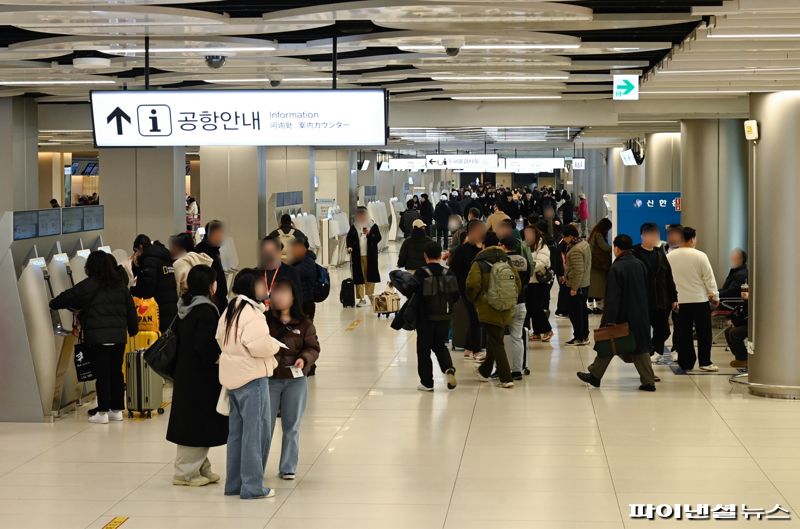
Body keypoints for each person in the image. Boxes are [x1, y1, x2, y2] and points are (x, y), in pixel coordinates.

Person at [50, 251, 137, 424]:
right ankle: (117, 410)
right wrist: (133, 329)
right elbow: (130, 310)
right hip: (119, 337)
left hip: (98, 337)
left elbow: (62, 299)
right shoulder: (119, 285)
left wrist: (54, 303)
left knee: (102, 374)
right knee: (116, 373)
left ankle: (102, 412)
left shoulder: (88, 285)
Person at [216, 268, 281, 500]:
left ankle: (234, 484)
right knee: (256, 433)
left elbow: (219, 339)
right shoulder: (251, 314)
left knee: (237, 434)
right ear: (250, 288)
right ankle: (253, 486)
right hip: (252, 379)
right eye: (261, 285)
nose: (265, 288)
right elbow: (259, 346)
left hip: (233, 379)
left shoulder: (230, 309)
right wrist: (275, 346)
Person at [167, 265, 228, 487]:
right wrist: (218, 359)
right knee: (196, 424)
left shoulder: (186, 305)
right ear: (211, 286)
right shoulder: (206, 310)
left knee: (196, 422)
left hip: (186, 373)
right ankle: (184, 473)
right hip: (200, 377)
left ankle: (201, 466)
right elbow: (204, 345)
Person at [577, 235, 658, 392]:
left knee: (609, 344)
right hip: (640, 314)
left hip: (623, 316)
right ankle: (648, 381)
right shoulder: (640, 264)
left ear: (616, 248)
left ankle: (595, 375)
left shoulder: (617, 267)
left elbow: (613, 297)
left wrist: (610, 319)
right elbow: (649, 290)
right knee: (640, 348)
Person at [265, 277, 320, 480]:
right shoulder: (264, 320)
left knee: (292, 424)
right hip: (269, 379)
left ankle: (288, 467)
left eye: (284, 292)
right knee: (265, 424)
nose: (279, 297)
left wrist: (304, 359)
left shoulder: (305, 324)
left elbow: (313, 348)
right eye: (276, 293)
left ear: (293, 296)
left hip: (295, 380)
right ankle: (258, 465)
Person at [466, 238, 521, 388]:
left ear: (483, 246)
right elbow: (517, 283)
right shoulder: (506, 261)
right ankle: (485, 370)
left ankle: (506, 378)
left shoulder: (479, 263)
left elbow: (472, 285)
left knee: (496, 341)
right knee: (494, 338)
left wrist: (475, 300)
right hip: (506, 307)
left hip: (488, 308)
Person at [667, 227, 719, 372]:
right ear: (692, 239)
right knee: (704, 332)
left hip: (679, 301)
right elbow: (708, 278)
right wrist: (714, 296)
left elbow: (665, 280)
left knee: (683, 333)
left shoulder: (670, 256)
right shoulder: (700, 256)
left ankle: (686, 362)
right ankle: (705, 362)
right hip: (699, 300)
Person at [413, 241, 458, 391]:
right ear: (440, 255)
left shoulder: (420, 273)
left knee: (424, 349)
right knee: (440, 345)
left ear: (425, 255)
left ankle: (427, 383)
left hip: (425, 317)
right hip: (444, 316)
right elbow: (455, 296)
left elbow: (414, 295)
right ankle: (448, 368)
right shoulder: (448, 273)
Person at [633, 223, 678, 365]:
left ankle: (655, 351)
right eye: (650, 234)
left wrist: (674, 297)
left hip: (661, 299)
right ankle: (648, 354)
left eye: (656, 235)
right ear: (643, 236)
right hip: (642, 300)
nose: (654, 238)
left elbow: (668, 277)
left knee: (664, 330)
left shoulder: (660, 254)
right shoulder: (634, 254)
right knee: (644, 331)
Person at [449, 220, 486, 360]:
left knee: (476, 319)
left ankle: (468, 347)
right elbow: (453, 271)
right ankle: (476, 351)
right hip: (467, 290)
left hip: (481, 289)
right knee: (475, 318)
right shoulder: (461, 251)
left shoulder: (483, 249)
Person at [131, 234, 178, 332]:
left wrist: (132, 291)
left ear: (140, 247)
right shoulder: (164, 255)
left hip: (157, 306)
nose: (135, 255)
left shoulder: (148, 259)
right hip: (171, 302)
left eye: (135, 251)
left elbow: (147, 287)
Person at [499, 236, 531, 380]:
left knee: (499, 338)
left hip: (505, 304)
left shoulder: (501, 262)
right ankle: (517, 370)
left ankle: (501, 368)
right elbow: (528, 278)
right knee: (517, 338)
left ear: (504, 246)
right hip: (521, 301)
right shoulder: (524, 261)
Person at [346, 207, 382, 307]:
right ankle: (361, 298)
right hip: (357, 256)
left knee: (369, 275)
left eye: (362, 215)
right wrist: (349, 246)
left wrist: (369, 234)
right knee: (359, 276)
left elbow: (378, 238)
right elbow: (349, 237)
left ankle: (370, 294)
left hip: (370, 256)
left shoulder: (373, 225)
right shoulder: (355, 226)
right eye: (359, 215)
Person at [524, 224, 554, 342]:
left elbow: (542, 262)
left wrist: (527, 266)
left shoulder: (543, 247)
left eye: (530, 234)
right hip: (529, 281)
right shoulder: (525, 246)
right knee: (530, 307)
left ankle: (548, 330)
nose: (527, 236)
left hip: (539, 282)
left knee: (536, 307)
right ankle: (537, 332)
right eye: (526, 234)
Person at [563, 225, 592, 346]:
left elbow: (578, 270)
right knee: (582, 312)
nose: (564, 240)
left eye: (565, 237)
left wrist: (574, 288)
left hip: (577, 286)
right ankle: (583, 335)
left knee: (576, 313)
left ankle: (579, 336)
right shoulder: (584, 244)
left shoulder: (575, 250)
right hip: (585, 283)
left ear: (570, 236)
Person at [258, 236, 302, 308]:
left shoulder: (291, 273)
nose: (269, 254)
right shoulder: (255, 273)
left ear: (280, 252)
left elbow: (298, 299)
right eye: (266, 251)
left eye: (272, 250)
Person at [196, 220, 229, 311]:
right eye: (219, 234)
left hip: (219, 298)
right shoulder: (201, 252)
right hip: (211, 300)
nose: (221, 237)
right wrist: (212, 296)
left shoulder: (215, 251)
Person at [587, 219, 612, 314]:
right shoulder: (598, 235)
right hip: (598, 265)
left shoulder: (594, 233)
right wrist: (614, 248)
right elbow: (605, 247)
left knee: (592, 287)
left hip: (593, 263)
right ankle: (598, 307)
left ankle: (590, 307)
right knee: (598, 287)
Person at [290, 237, 319, 320]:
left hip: (306, 303)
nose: (294, 251)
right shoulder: (297, 261)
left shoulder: (308, 262)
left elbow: (294, 273)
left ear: (304, 248)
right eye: (293, 249)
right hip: (298, 302)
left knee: (306, 330)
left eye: (296, 248)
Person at [725, 289, 749, 369]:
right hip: (744, 323)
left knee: (734, 333)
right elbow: (734, 313)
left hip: (754, 324)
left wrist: (735, 323)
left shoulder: (754, 302)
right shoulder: (743, 302)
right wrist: (731, 320)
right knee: (728, 331)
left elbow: (748, 318)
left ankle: (743, 358)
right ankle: (740, 357)